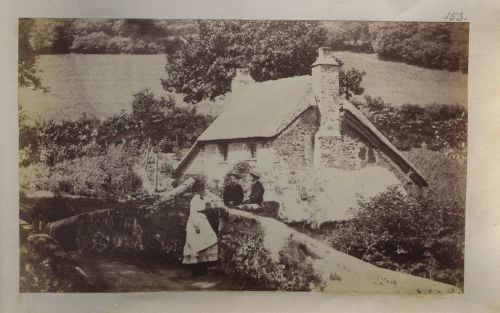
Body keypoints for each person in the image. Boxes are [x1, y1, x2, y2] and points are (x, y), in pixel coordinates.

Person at [182, 179, 218, 275]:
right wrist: (196, 226)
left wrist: (210, 206)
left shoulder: (203, 198)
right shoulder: (195, 200)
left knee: (206, 242)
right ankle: (196, 270)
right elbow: (193, 213)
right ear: (198, 190)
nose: (203, 191)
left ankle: (203, 268)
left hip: (203, 220)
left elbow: (208, 205)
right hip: (196, 222)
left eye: (203, 189)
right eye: (201, 190)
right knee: (196, 244)